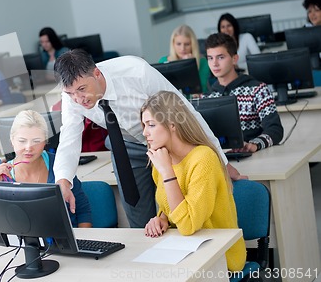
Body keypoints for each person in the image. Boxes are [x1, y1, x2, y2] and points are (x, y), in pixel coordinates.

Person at [53, 49, 245, 229]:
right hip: (125, 146)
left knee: (182, 210)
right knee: (140, 220)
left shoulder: (136, 71)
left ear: (96, 73)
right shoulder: (72, 94)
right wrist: (63, 181)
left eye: (82, 89)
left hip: (165, 142)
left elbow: (185, 110)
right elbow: (69, 136)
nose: (78, 99)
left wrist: (221, 159)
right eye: (71, 94)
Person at [141, 91, 246, 272]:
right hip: (184, 248)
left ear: (172, 124)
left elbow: (188, 225)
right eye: (143, 125)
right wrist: (162, 218)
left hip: (220, 256)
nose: (144, 132)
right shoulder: (161, 158)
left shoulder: (203, 159)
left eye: (151, 125)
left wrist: (167, 172)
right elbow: (170, 205)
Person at [0, 110, 92, 241]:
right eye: (22, 141)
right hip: (24, 250)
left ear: (45, 141)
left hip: (66, 245)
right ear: (12, 141)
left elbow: (83, 211)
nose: (28, 147)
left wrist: (82, 242)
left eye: (36, 141)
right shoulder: (2, 176)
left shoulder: (59, 165)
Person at [205, 33, 283, 152]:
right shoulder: (207, 97)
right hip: (222, 161)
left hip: (256, 156)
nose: (214, 63)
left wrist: (254, 145)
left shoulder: (258, 90)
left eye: (220, 57)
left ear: (234, 58)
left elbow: (275, 130)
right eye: (210, 58)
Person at [158, 25, 210, 92]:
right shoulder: (163, 61)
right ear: (173, 44)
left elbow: (201, 89)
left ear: (192, 45)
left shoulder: (202, 61)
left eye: (187, 44)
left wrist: (190, 67)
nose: (182, 48)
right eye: (179, 44)